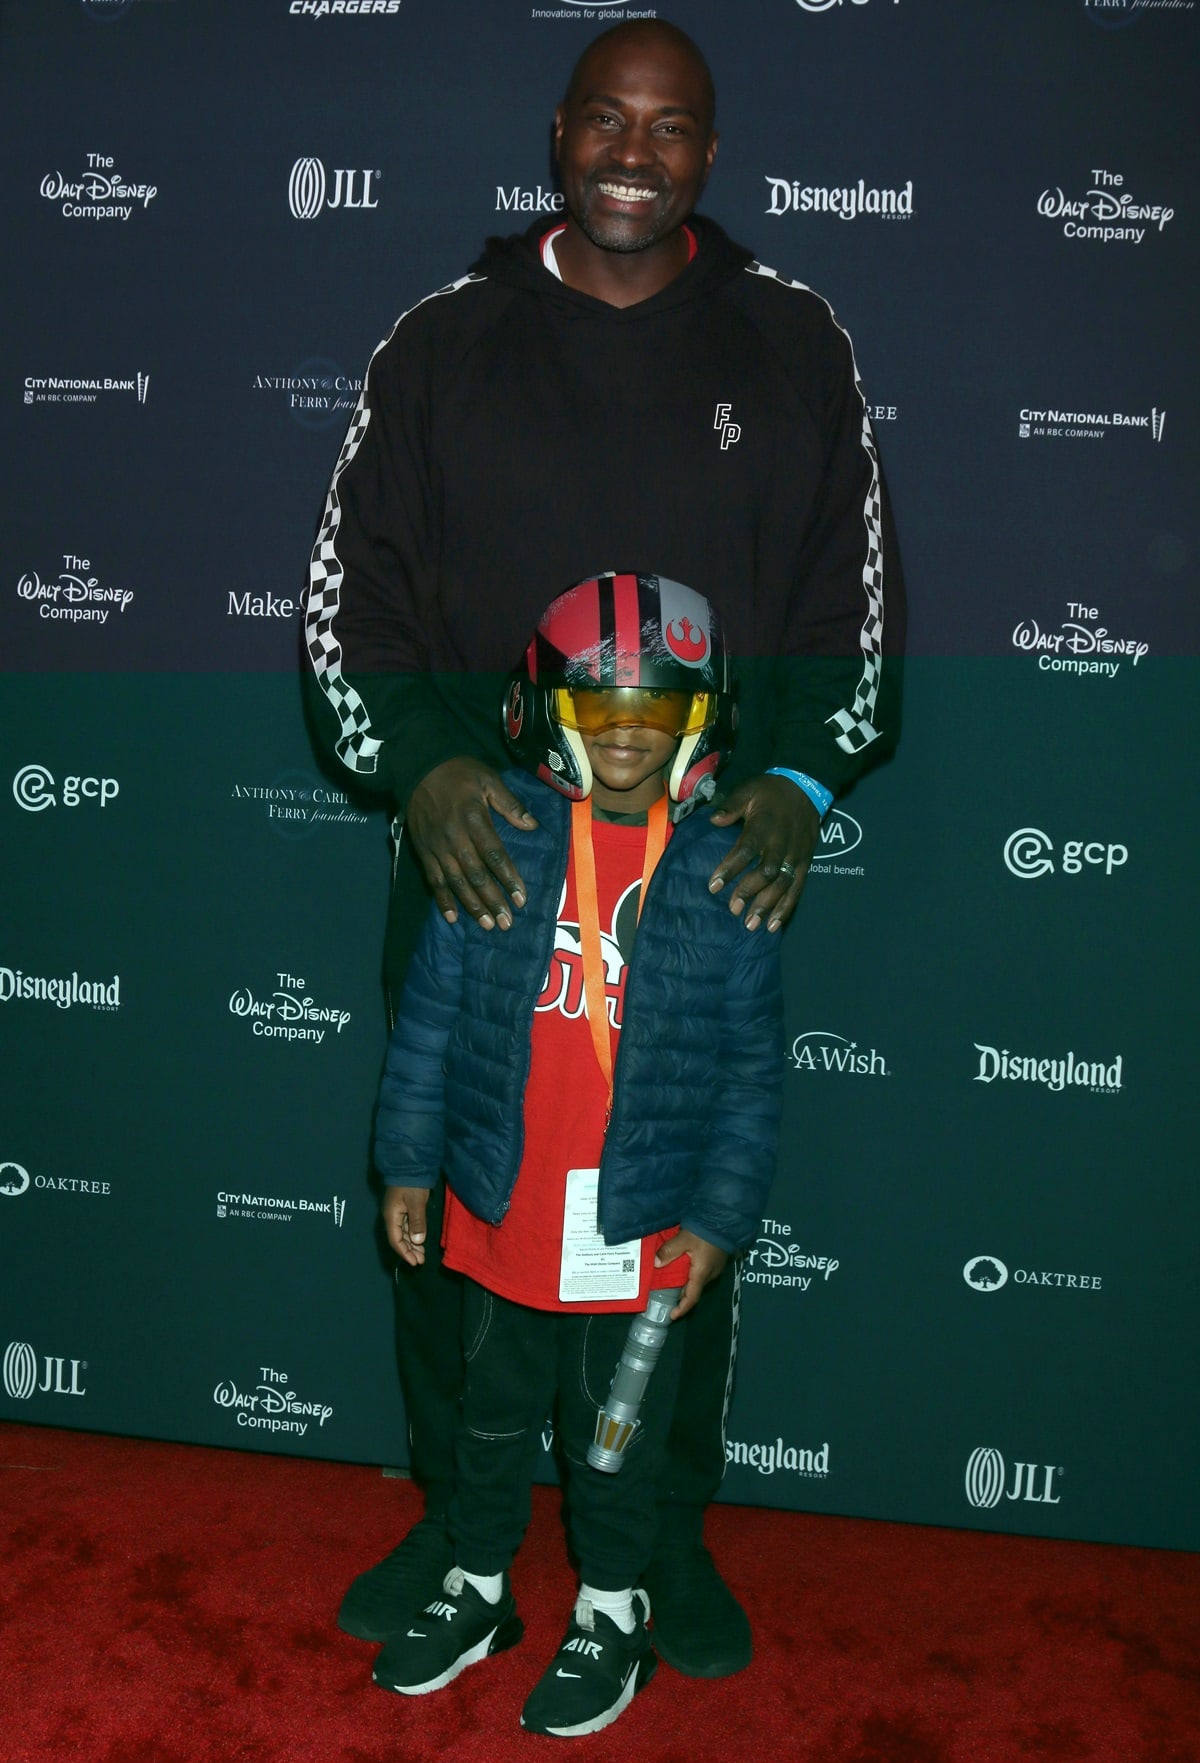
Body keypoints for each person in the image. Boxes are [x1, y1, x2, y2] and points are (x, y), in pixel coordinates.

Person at [303, 18, 904, 1677]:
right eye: (608, 122)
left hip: (696, 888)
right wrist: (423, 772)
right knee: (463, 1215)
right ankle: (462, 1521)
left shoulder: (791, 337)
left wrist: (798, 782)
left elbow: (853, 601)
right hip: (486, 867)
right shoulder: (446, 340)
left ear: (711, 152)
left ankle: (656, 1537)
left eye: (674, 126)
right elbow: (348, 606)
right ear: (558, 134)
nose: (635, 153)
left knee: (669, 1227)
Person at [368, 574, 783, 1736]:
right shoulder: (491, 838)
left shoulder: (721, 875)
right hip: (501, 1205)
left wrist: (718, 1220)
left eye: (654, 715)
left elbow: (752, 1078)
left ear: (700, 724)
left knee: (613, 1437)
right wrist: (410, 1163)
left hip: (636, 1222)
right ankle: (480, 1586)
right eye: (601, 714)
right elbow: (430, 1028)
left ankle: (612, 1608)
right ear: (551, 715)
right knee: (488, 1415)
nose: (627, 737)